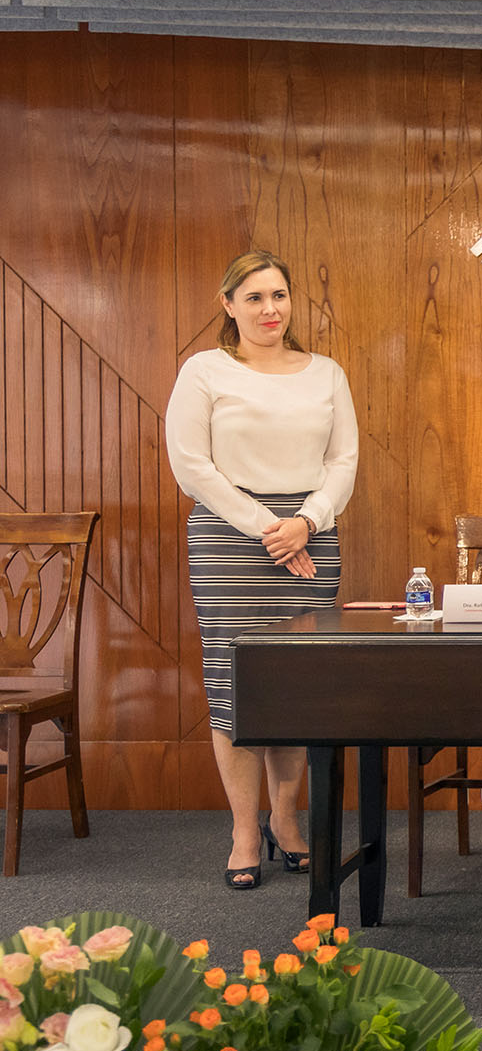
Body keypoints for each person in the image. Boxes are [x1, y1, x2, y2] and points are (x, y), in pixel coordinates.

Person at [167, 249, 358, 890]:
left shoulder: (326, 372)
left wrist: (307, 521)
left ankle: (286, 821)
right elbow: (192, 466)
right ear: (228, 306)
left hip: (311, 535)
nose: (269, 309)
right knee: (235, 688)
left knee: (298, 686)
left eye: (278, 295)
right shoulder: (204, 371)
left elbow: (343, 461)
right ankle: (243, 832)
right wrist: (266, 529)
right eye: (253, 298)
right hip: (230, 541)